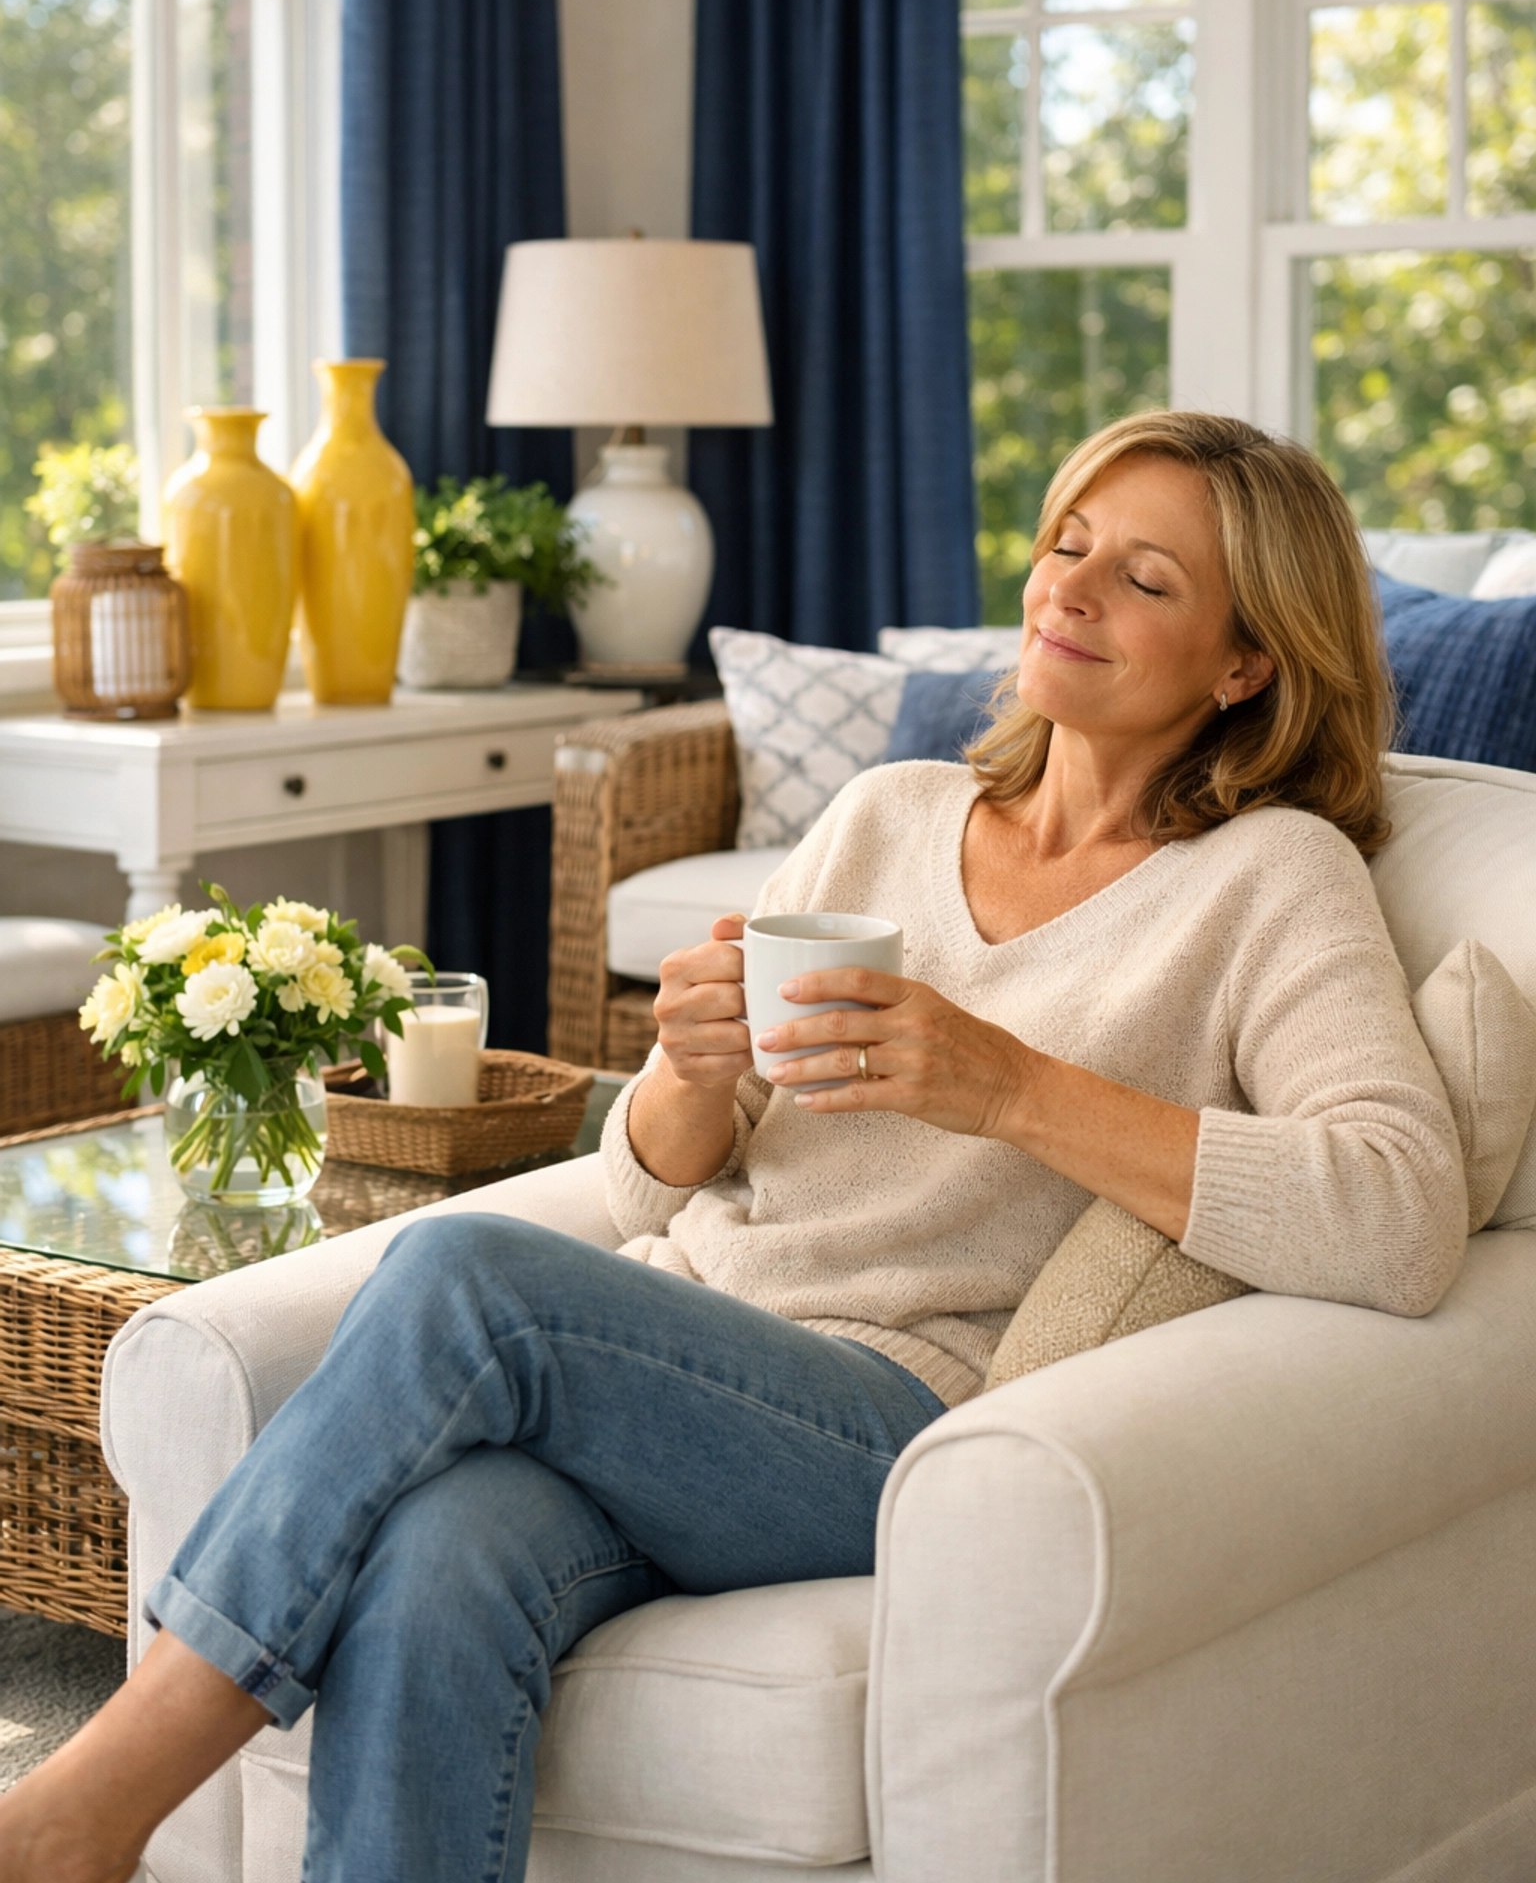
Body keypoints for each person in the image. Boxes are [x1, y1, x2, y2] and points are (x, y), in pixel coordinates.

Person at [0, 412, 1466, 1883]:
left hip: (889, 1422)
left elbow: (1399, 1217)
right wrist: (691, 1069)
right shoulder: (889, 816)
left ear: (1246, 662)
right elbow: (653, 1176)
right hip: (675, 1362)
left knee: (467, 1275)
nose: (1068, 593)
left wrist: (1009, 1086)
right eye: (1066, 547)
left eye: (1144, 581)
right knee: (442, 1558)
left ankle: (95, 1806)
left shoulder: (1273, 878)